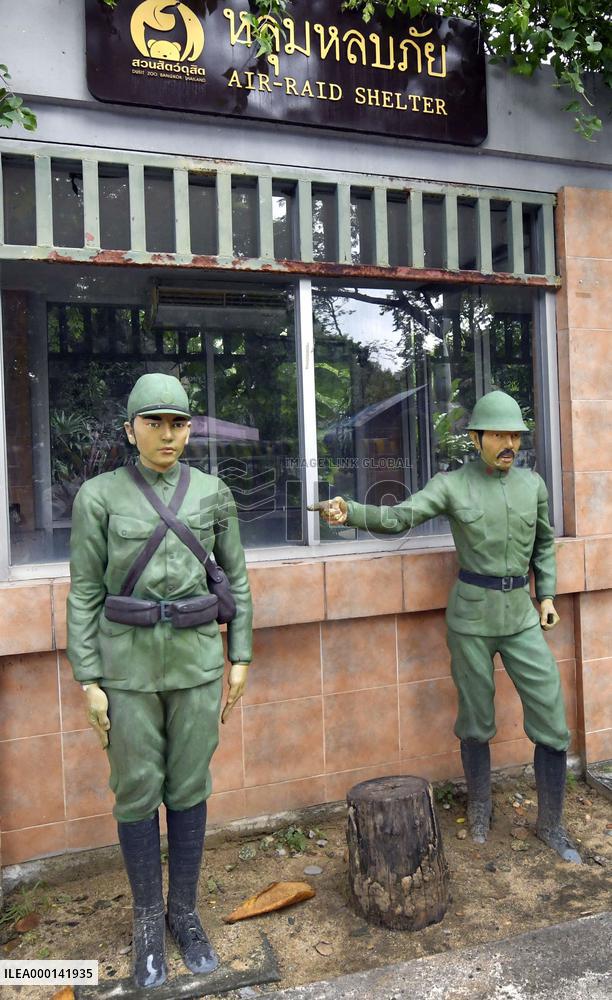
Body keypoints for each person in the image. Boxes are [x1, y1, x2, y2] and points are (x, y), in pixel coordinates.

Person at [313, 389, 581, 864]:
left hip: (520, 615)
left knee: (553, 720)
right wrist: (350, 511)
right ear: (476, 437)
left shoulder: (532, 486)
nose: (508, 444)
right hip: (471, 619)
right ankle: (480, 809)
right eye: (498, 434)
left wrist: (546, 597)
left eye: (514, 436)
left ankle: (551, 824)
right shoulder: (452, 485)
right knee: (476, 718)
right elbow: (400, 517)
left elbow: (544, 545)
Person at [67, 373, 253, 988]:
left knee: (190, 784)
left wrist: (241, 655)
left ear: (190, 427)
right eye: (154, 422)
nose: (167, 434)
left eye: (178, 422)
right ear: (130, 430)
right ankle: (148, 922)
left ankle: (184, 913)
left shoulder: (215, 493)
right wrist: (89, 678)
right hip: (128, 669)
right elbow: (86, 591)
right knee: (137, 789)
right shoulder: (99, 496)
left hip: (199, 662)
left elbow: (237, 579)